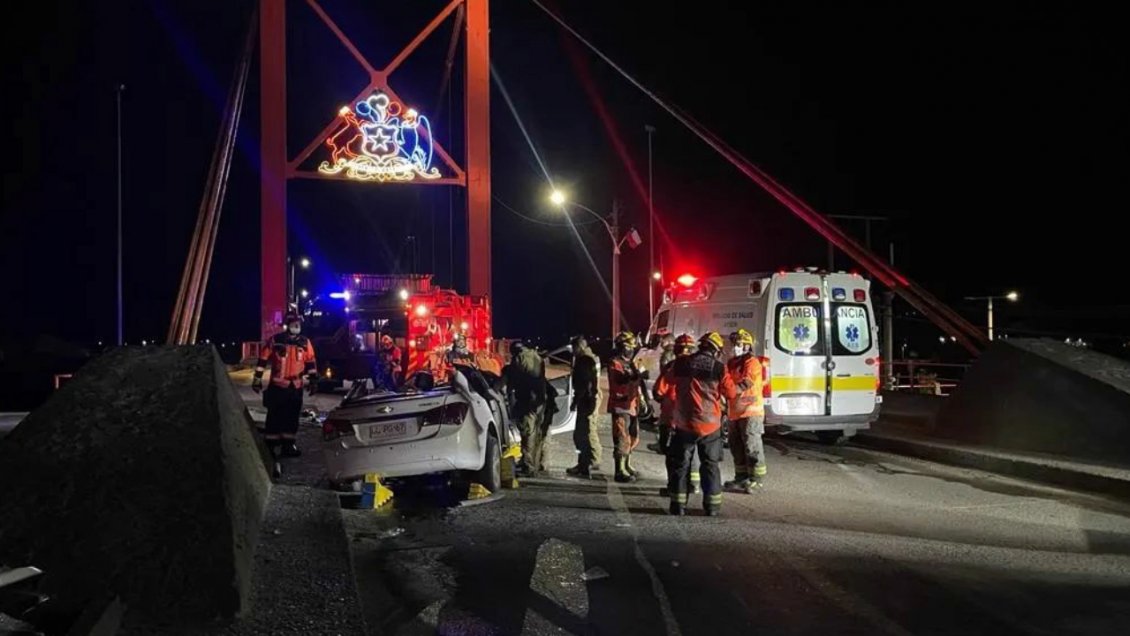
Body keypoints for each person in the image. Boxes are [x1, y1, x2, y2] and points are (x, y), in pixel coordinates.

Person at [666, 331, 727, 516]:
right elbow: (730, 392)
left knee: (681, 464)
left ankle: (678, 506)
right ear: (716, 350)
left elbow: (668, 380)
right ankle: (712, 507)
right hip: (710, 425)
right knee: (710, 465)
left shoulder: (681, 363)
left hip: (685, 423)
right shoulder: (718, 367)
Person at [252, 312, 317, 458]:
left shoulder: (305, 343)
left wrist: (313, 381)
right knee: (275, 417)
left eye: (298, 324)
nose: (297, 326)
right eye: (294, 323)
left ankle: (288, 445)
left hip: (295, 387)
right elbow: (262, 359)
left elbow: (311, 362)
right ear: (288, 325)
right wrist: (257, 380)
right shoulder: (276, 341)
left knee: (292, 418)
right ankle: (271, 445)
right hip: (278, 387)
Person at [722, 329, 767, 493]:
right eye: (735, 344)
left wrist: (729, 391)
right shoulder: (732, 364)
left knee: (752, 446)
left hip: (751, 412)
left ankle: (756, 480)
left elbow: (745, 383)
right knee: (736, 446)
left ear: (748, 346)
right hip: (735, 412)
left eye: (740, 344)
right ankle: (741, 477)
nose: (736, 347)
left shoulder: (752, 363)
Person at [655, 334, 700, 495]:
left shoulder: (672, 367)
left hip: (672, 418)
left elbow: (659, 390)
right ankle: (693, 483)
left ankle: (674, 486)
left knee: (672, 454)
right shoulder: (701, 367)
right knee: (691, 451)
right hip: (694, 418)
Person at [505, 340, 546, 476]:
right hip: (539, 401)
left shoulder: (519, 359)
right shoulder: (537, 357)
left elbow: (511, 380)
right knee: (536, 433)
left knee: (527, 433)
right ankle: (536, 463)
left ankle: (529, 467)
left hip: (527, 401)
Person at [608, 331, 644, 483]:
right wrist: (636, 374)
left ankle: (627, 465)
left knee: (632, 437)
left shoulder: (632, 364)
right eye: (629, 347)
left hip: (632, 405)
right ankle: (619, 470)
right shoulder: (614, 363)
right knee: (622, 438)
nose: (631, 350)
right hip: (620, 405)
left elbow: (637, 384)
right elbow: (621, 379)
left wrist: (643, 400)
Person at [566, 335, 602, 478]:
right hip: (590, 398)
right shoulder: (591, 358)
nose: (572, 351)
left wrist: (576, 402)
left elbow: (584, 384)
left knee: (583, 434)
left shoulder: (584, 361)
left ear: (579, 347)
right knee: (583, 433)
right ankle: (584, 463)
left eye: (573, 348)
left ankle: (588, 463)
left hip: (587, 400)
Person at [646, 333, 676, 454]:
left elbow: (665, 376)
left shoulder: (667, 356)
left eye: (663, 342)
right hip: (680, 395)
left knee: (665, 422)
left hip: (669, 394)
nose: (661, 344)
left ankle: (663, 445)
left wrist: (658, 393)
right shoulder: (682, 356)